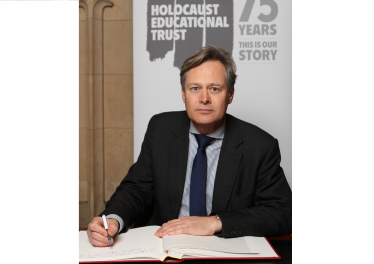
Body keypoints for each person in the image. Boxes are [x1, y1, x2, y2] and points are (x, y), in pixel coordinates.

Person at [87, 46, 292, 247]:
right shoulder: (161, 129)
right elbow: (136, 189)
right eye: (195, 88)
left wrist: (216, 222)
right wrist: (113, 220)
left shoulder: (259, 146)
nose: (204, 98)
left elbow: (284, 212)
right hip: (164, 248)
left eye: (214, 89)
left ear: (230, 95)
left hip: (224, 252)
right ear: (184, 94)